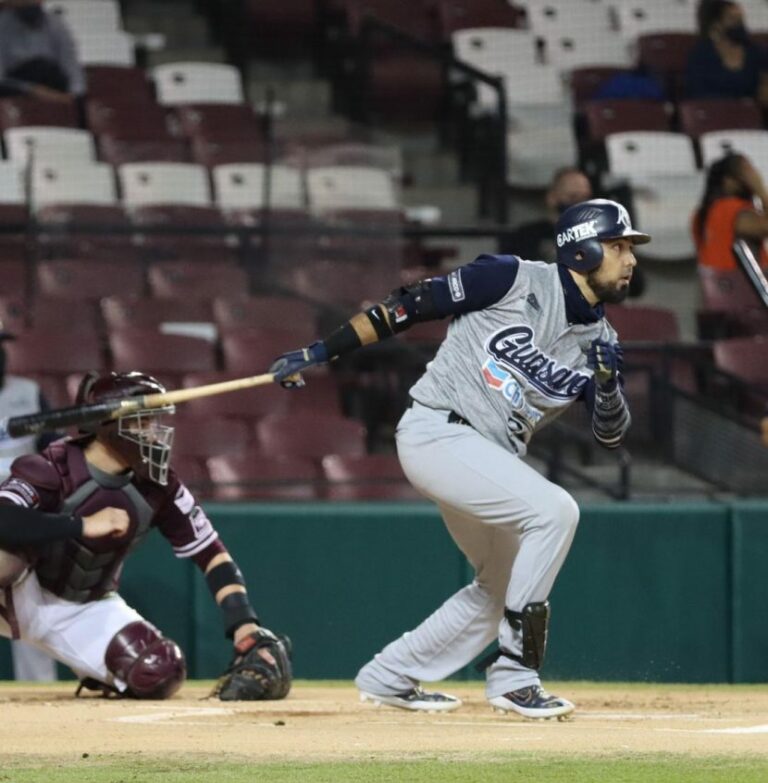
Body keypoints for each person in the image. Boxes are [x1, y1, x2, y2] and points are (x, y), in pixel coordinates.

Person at [269, 198, 645, 720]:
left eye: (630, 248)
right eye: (618, 246)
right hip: (439, 431)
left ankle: (390, 674)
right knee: (556, 512)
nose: (630, 260)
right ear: (580, 248)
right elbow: (409, 305)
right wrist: (321, 352)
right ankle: (515, 677)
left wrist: (606, 385)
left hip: (489, 461)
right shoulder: (511, 278)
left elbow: (610, 434)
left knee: (500, 586)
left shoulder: (600, 339)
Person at [0, 370, 291, 701]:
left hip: (84, 606)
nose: (153, 432)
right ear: (108, 426)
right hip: (21, 588)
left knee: (158, 670)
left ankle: (101, 671)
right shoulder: (53, 466)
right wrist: (80, 525)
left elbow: (212, 554)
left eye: (153, 421)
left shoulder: (159, 485)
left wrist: (243, 623)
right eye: (141, 422)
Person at [0, 322, 59, 680]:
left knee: (26, 606)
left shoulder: (28, 392)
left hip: (20, 508)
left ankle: (39, 696)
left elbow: (54, 447)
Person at [500, 168, 646, 298]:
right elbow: (513, 282)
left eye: (586, 199)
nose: (580, 205)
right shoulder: (525, 236)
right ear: (552, 198)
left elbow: (636, 286)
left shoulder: (600, 239)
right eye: (573, 197)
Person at [692, 152, 768, 270]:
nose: (754, 176)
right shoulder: (730, 209)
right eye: (747, 173)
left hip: (720, 285)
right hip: (742, 284)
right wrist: (761, 189)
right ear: (728, 181)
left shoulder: (701, 213)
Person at [684, 1, 768, 107]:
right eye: (732, 19)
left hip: (751, 117)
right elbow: (697, 95)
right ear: (715, 24)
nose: (739, 24)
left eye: (741, 19)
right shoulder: (700, 56)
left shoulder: (756, 52)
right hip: (714, 117)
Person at [0, 0, 85, 102]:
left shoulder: (55, 24)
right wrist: (31, 89)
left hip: (54, 83)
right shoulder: (3, 25)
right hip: (17, 89)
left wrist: (74, 95)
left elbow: (70, 64)